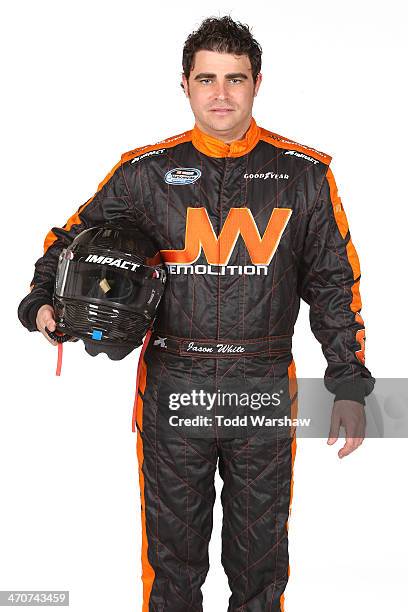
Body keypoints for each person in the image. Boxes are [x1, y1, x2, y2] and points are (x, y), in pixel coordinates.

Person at [18, 15, 375, 612]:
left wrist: (349, 385)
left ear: (258, 82)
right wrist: (40, 303)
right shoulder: (144, 173)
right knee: (172, 569)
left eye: (235, 78)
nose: (221, 93)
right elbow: (68, 240)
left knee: (261, 569)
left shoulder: (307, 175)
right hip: (171, 390)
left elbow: (336, 285)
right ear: (183, 84)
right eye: (206, 77)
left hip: (263, 390)